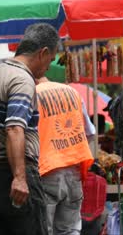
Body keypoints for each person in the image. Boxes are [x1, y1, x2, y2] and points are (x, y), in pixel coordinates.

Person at [0, 23, 59, 235]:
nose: (49, 66)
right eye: (51, 59)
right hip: (11, 177)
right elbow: (14, 127)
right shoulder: (22, 79)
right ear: (44, 52)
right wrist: (20, 177)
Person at [36, 77, 95, 235]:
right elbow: (90, 133)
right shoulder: (72, 92)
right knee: (70, 230)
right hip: (74, 170)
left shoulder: (32, 94)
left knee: (44, 230)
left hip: (46, 170)